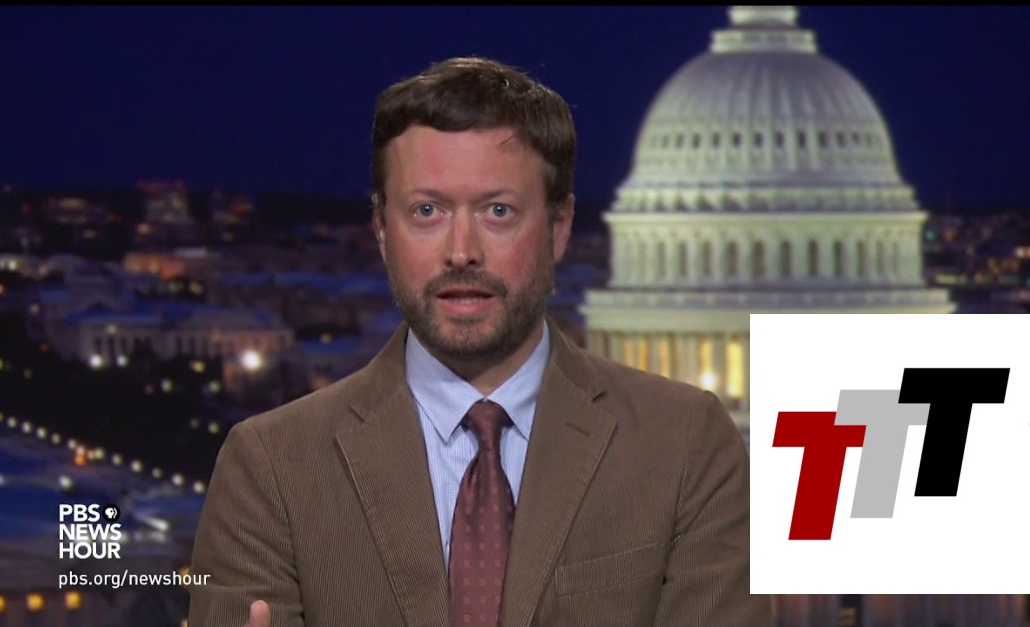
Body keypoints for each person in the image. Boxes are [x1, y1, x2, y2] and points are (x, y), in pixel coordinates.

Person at [188, 56, 770, 627]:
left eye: (498, 211)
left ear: (559, 227)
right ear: (382, 230)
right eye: (427, 210)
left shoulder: (686, 445)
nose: (461, 251)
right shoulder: (269, 468)